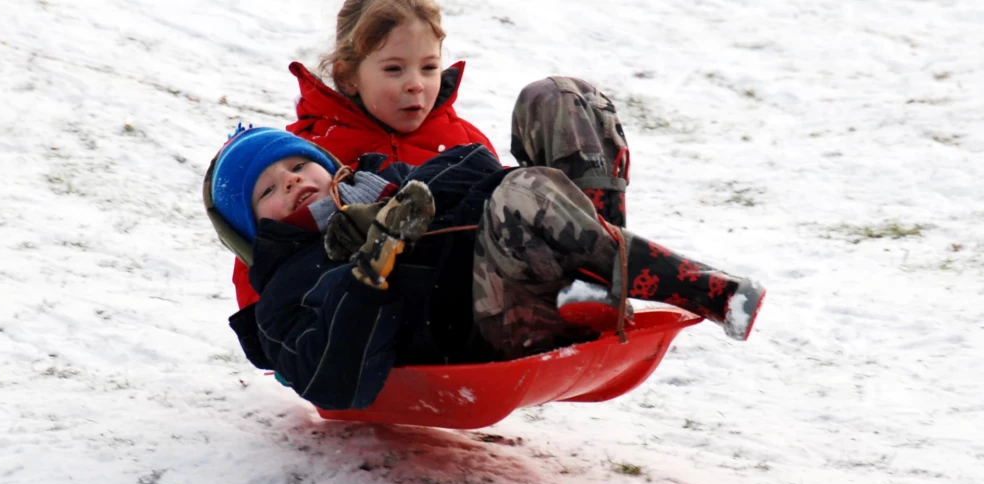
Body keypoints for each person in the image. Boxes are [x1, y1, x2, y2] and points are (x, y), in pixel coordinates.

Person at [203, 127, 766, 411]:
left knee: (559, 102)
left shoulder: (393, 183)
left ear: (330, 166)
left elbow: (477, 167)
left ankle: (585, 284)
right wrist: (369, 270)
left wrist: (407, 201)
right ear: (251, 229)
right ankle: (705, 291)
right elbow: (334, 382)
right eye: (269, 191)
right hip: (477, 331)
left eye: (300, 165)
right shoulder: (282, 289)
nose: (294, 182)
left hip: (524, 271)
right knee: (524, 192)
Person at [231, 0, 632, 313]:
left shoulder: (463, 137)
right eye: (394, 69)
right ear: (348, 74)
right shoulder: (310, 158)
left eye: (428, 67)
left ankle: (597, 281)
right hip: (400, 316)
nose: (416, 86)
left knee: (560, 96)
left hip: (496, 281)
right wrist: (283, 337)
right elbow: (266, 251)